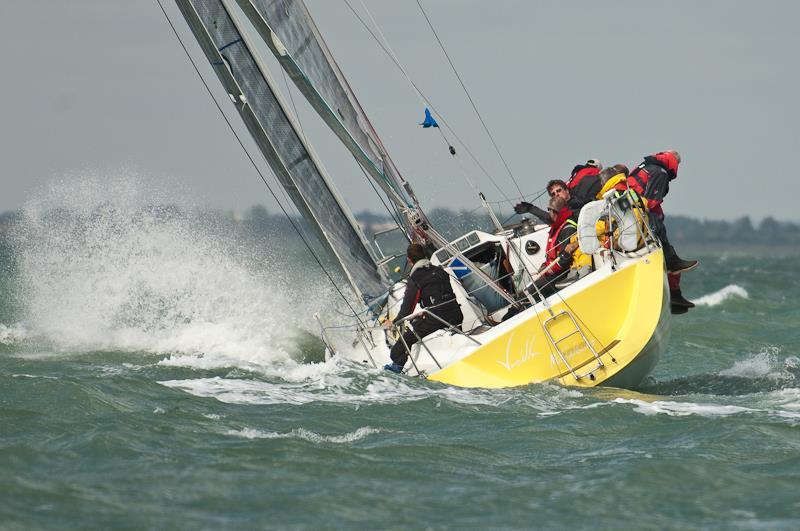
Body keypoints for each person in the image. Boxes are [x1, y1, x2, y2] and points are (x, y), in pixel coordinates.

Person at [621, 150, 697, 312]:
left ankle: (674, 291)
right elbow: (651, 202)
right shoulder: (661, 172)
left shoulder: (644, 165)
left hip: (626, 212)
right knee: (666, 247)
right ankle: (674, 292)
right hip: (640, 214)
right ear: (674, 164)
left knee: (667, 248)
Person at [383, 243, 463, 373]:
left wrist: (393, 322)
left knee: (396, 351)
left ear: (409, 260)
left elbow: (407, 310)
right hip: (456, 314)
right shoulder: (440, 271)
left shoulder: (415, 279)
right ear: (425, 255)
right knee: (421, 320)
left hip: (437, 319)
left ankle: (397, 369)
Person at [526, 195, 579, 301]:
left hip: (563, 273)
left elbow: (564, 260)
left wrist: (549, 270)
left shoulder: (567, 229)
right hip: (554, 270)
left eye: (550, 211)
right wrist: (544, 266)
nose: (549, 215)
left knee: (531, 293)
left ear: (556, 212)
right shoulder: (557, 227)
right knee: (527, 291)